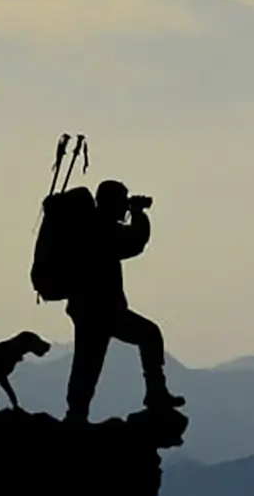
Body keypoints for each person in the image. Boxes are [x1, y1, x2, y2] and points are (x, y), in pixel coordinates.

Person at [63, 179, 184, 424]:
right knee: (148, 335)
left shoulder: (87, 228)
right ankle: (155, 394)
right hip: (103, 310)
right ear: (111, 203)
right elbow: (135, 242)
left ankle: (76, 414)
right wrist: (139, 214)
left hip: (87, 309)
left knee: (87, 363)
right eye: (122, 202)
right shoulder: (101, 229)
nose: (124, 208)